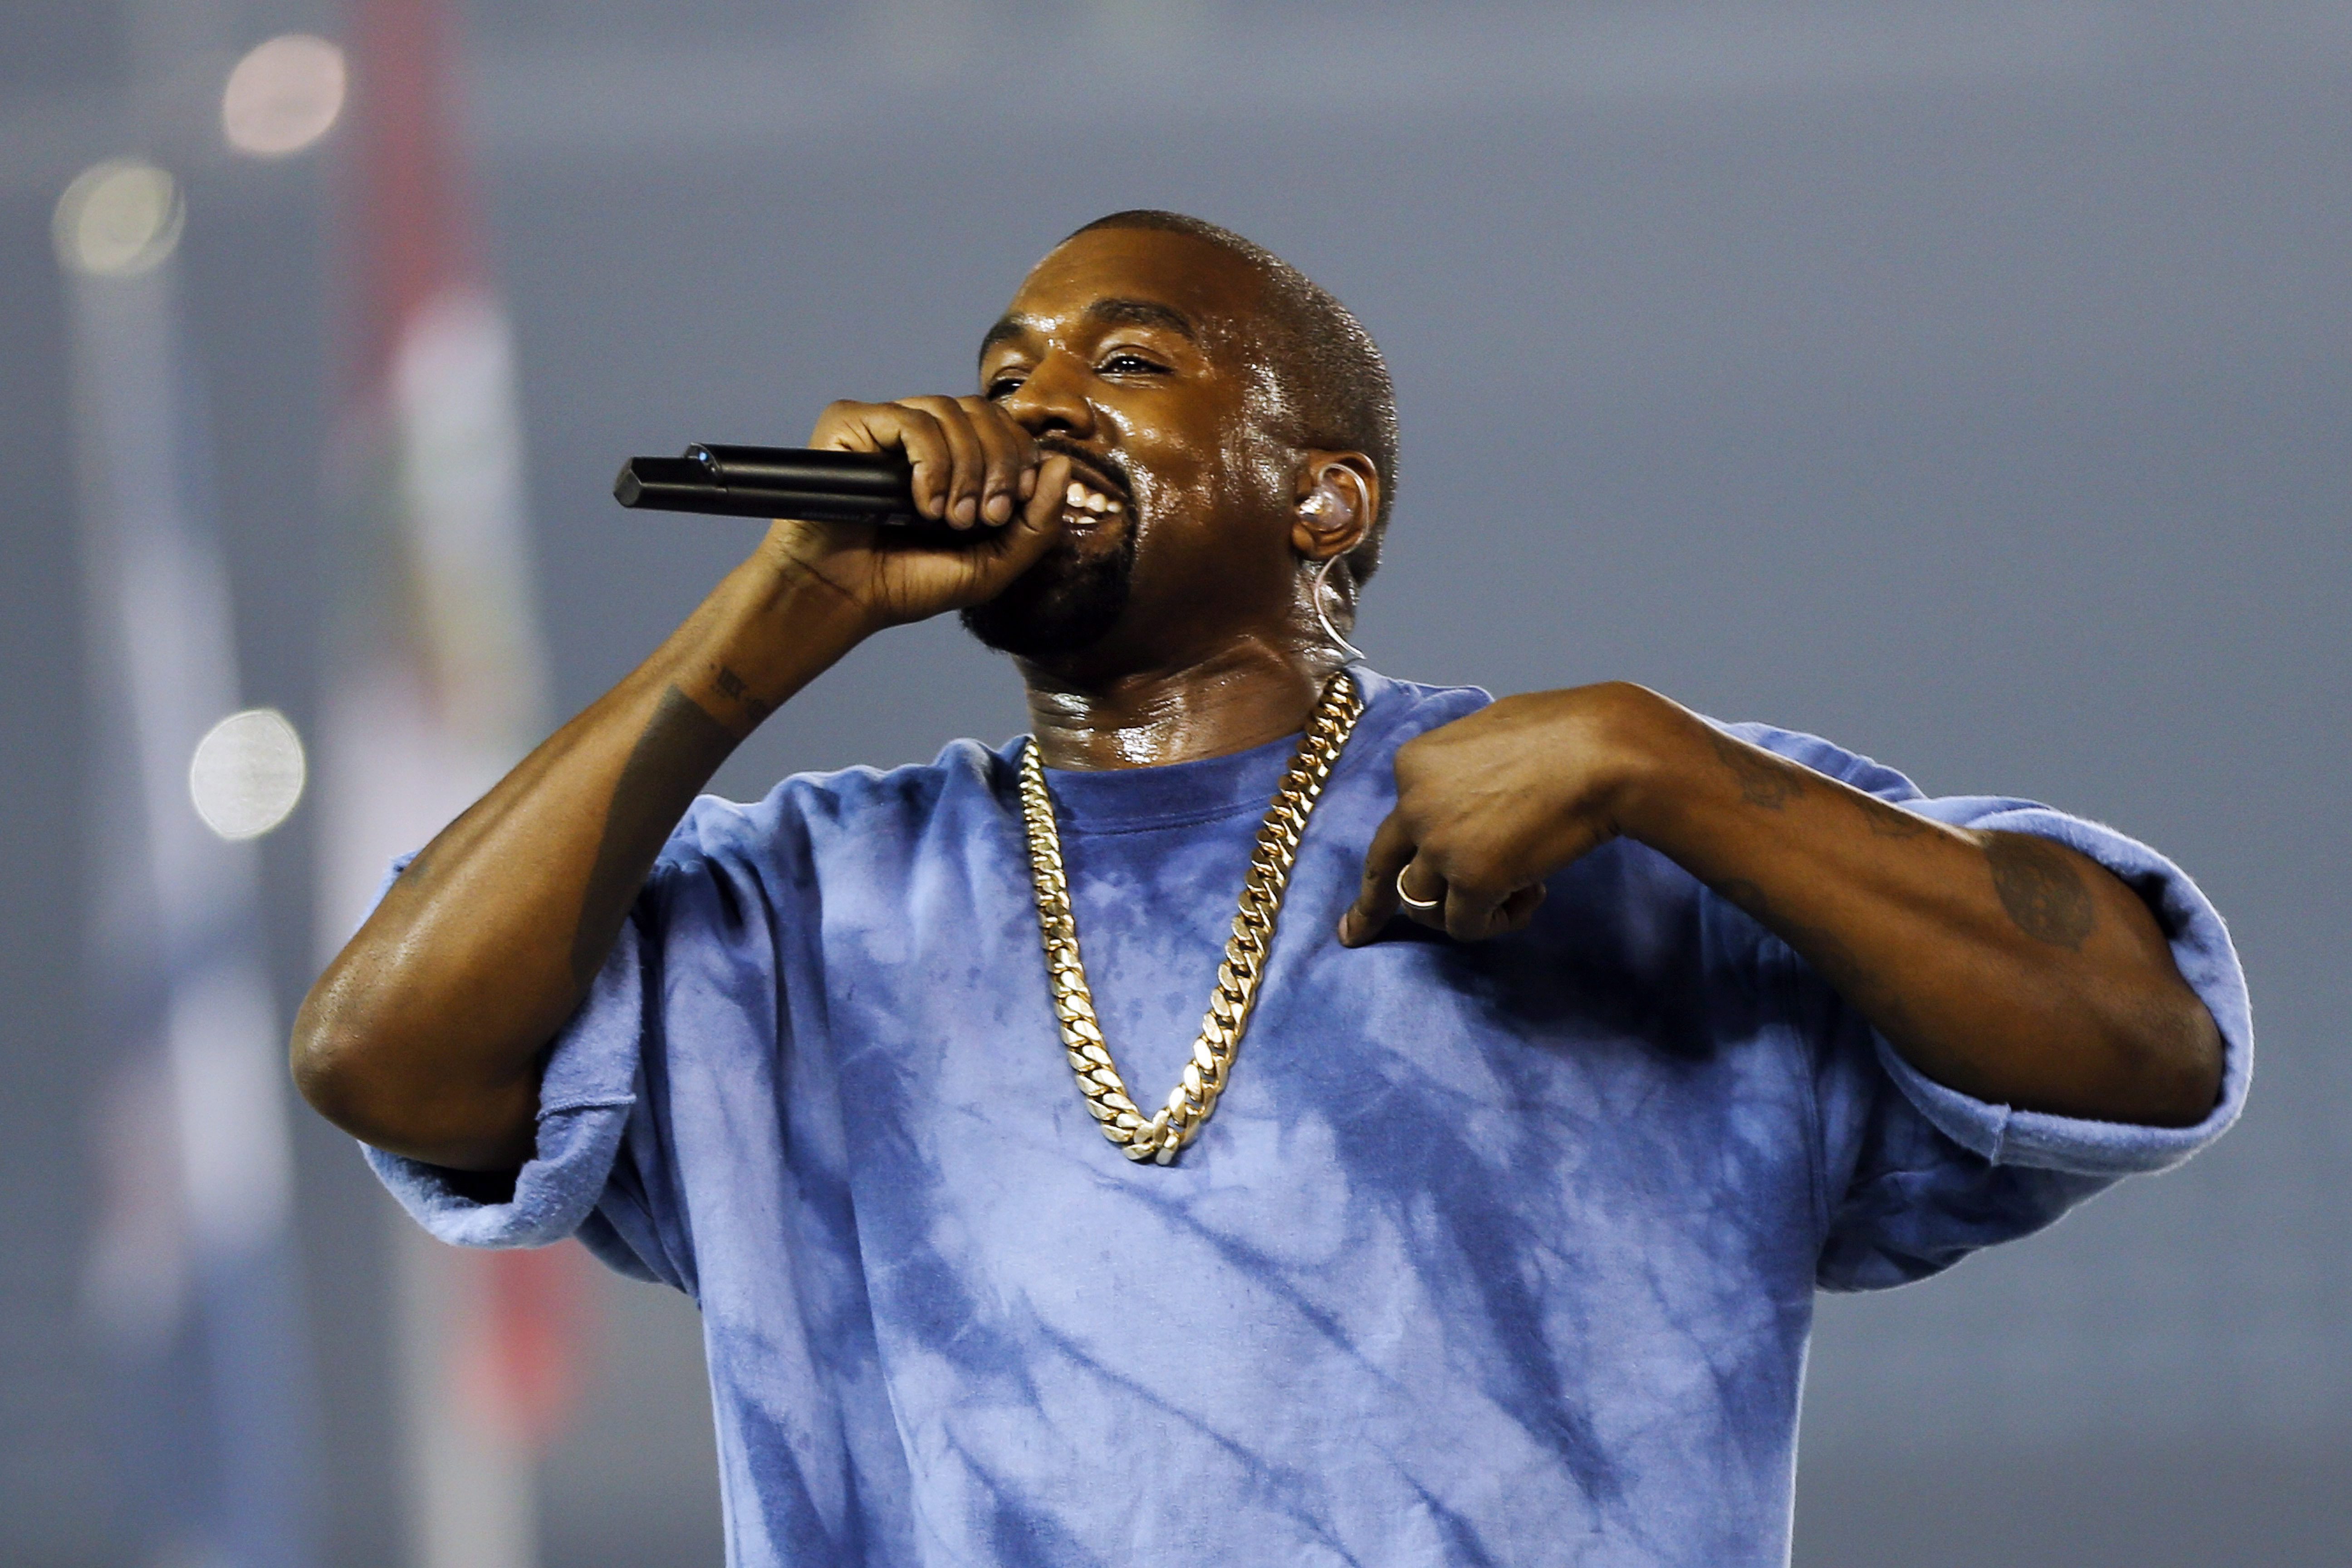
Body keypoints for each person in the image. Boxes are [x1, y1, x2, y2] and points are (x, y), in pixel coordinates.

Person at [293, 211, 2248, 1566]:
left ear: (1329, 499)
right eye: (1005, 369)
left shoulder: (1616, 825)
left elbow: (2140, 1041)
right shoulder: (804, 905)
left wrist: (1670, 765)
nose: (1038, 401)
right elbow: (387, 1059)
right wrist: (766, 621)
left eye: (1128, 360)